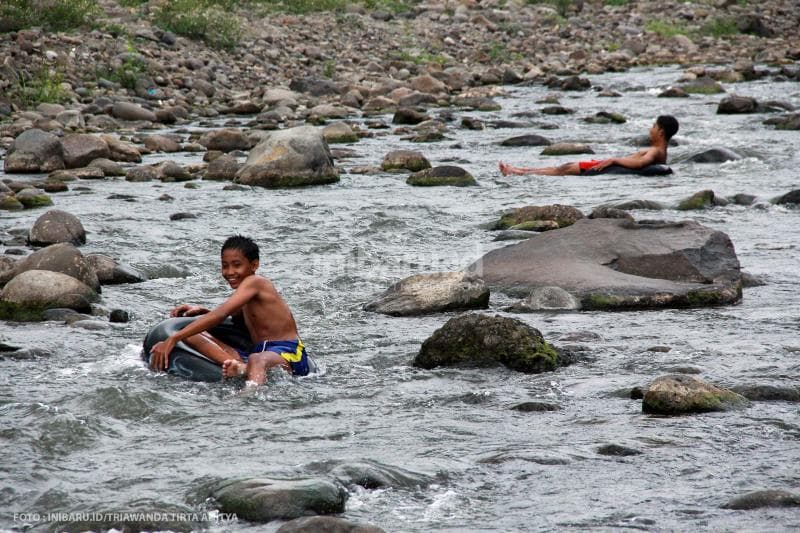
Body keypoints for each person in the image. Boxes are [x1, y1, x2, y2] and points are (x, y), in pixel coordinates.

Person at [148, 235, 310, 386]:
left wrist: (172, 339)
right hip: (260, 352)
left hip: (287, 351)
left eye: (237, 265)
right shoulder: (245, 293)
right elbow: (234, 321)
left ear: (254, 265)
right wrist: (203, 311)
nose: (230, 272)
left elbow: (221, 314)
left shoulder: (256, 282)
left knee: (257, 359)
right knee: (192, 335)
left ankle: (249, 395)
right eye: (225, 266)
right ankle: (239, 366)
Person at [499, 115, 679, 176]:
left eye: (654, 126)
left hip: (606, 165)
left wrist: (613, 159)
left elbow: (640, 163)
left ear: (661, 132)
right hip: (608, 164)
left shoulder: (655, 151)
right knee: (560, 168)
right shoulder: (661, 151)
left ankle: (516, 172)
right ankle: (519, 170)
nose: (650, 130)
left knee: (562, 169)